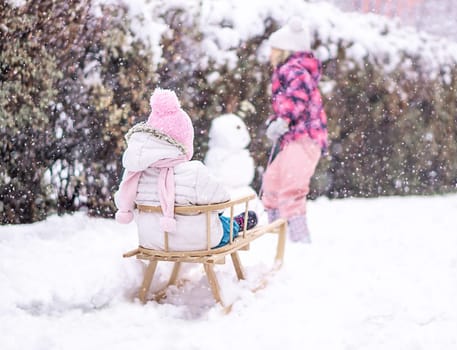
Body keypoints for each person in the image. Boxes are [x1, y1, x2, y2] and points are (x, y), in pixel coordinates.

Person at [114, 88, 257, 251]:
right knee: (222, 223)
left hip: (152, 240)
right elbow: (221, 201)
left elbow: (121, 201)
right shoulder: (194, 172)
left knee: (212, 219)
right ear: (185, 140)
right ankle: (237, 224)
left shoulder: (136, 173)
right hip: (197, 241)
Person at [262, 17, 328, 243]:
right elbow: (288, 103)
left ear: (284, 50)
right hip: (294, 139)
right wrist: (276, 121)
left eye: (273, 49)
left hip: (306, 139)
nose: (269, 54)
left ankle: (298, 241)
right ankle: (273, 236)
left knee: (291, 188)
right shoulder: (288, 69)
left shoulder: (295, 69)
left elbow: (297, 98)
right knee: (271, 182)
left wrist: (282, 120)